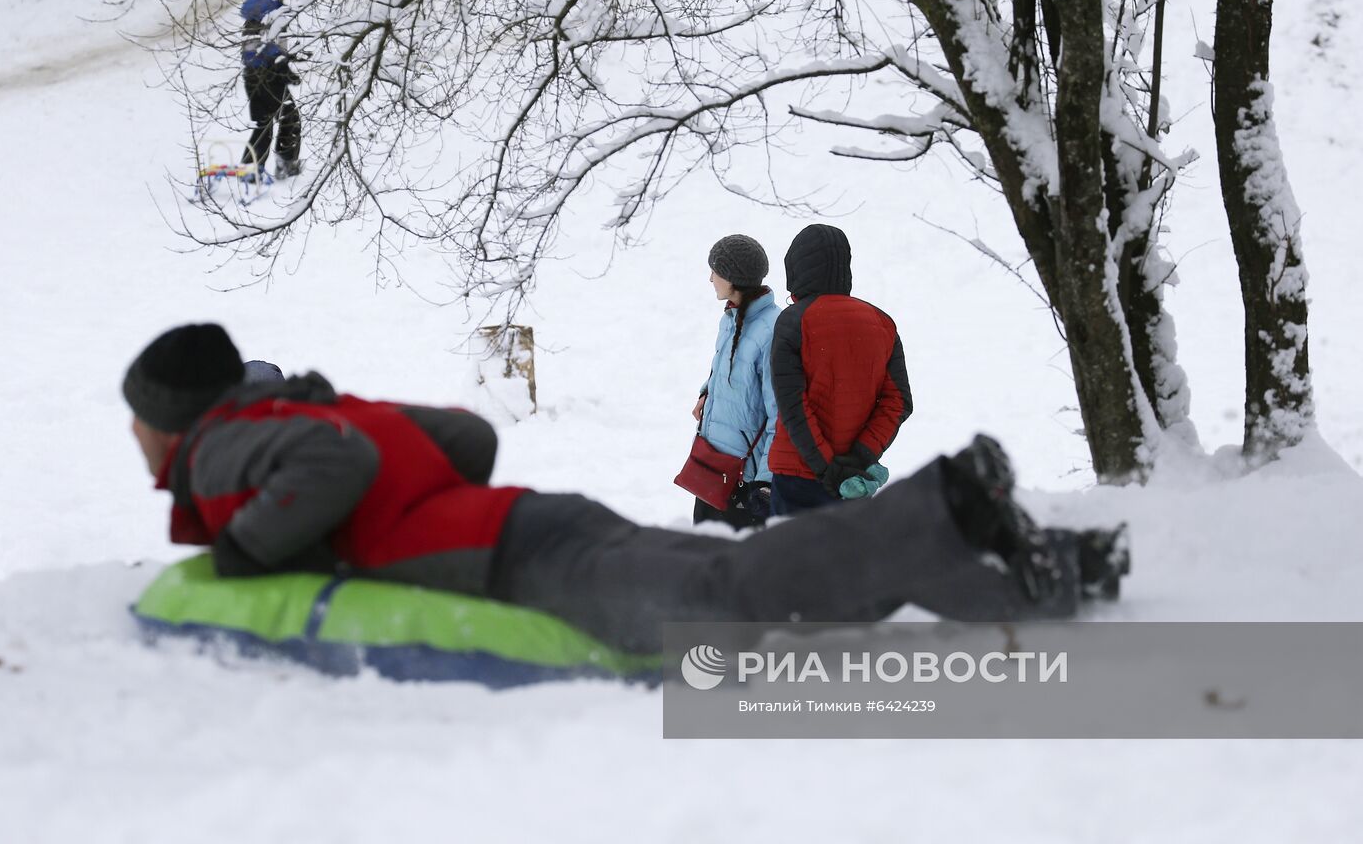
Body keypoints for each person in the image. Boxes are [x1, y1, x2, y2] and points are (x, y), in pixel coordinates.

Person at [122, 324, 1128, 655]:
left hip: (514, 558)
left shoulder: (221, 449)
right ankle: (1018, 567)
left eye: (138, 419)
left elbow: (330, 477)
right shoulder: (312, 408)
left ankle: (945, 502)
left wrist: (252, 548)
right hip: (536, 519)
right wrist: (396, 505)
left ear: (171, 417)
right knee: (749, 580)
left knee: (728, 603)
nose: (136, 437)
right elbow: (466, 438)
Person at [768, 223, 913, 515]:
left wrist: (827, 469)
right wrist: (860, 456)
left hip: (798, 475)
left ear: (795, 268)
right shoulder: (882, 323)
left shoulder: (793, 321)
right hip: (854, 482)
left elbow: (794, 406)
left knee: (787, 560)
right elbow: (898, 402)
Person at [688, 235, 781, 529]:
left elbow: (779, 414)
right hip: (712, 468)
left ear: (733, 277)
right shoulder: (731, 317)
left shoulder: (772, 331)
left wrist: (765, 483)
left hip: (744, 482)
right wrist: (708, 392)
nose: (710, 278)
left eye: (715, 270)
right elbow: (729, 368)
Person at [238, 0, 302, 179]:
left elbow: (257, 45)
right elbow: (271, 46)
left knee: (264, 123)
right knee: (290, 118)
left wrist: (287, 62)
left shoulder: (256, 8)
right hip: (269, 76)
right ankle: (287, 164)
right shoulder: (273, 11)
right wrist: (283, 69)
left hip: (252, 76)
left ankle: (250, 168)